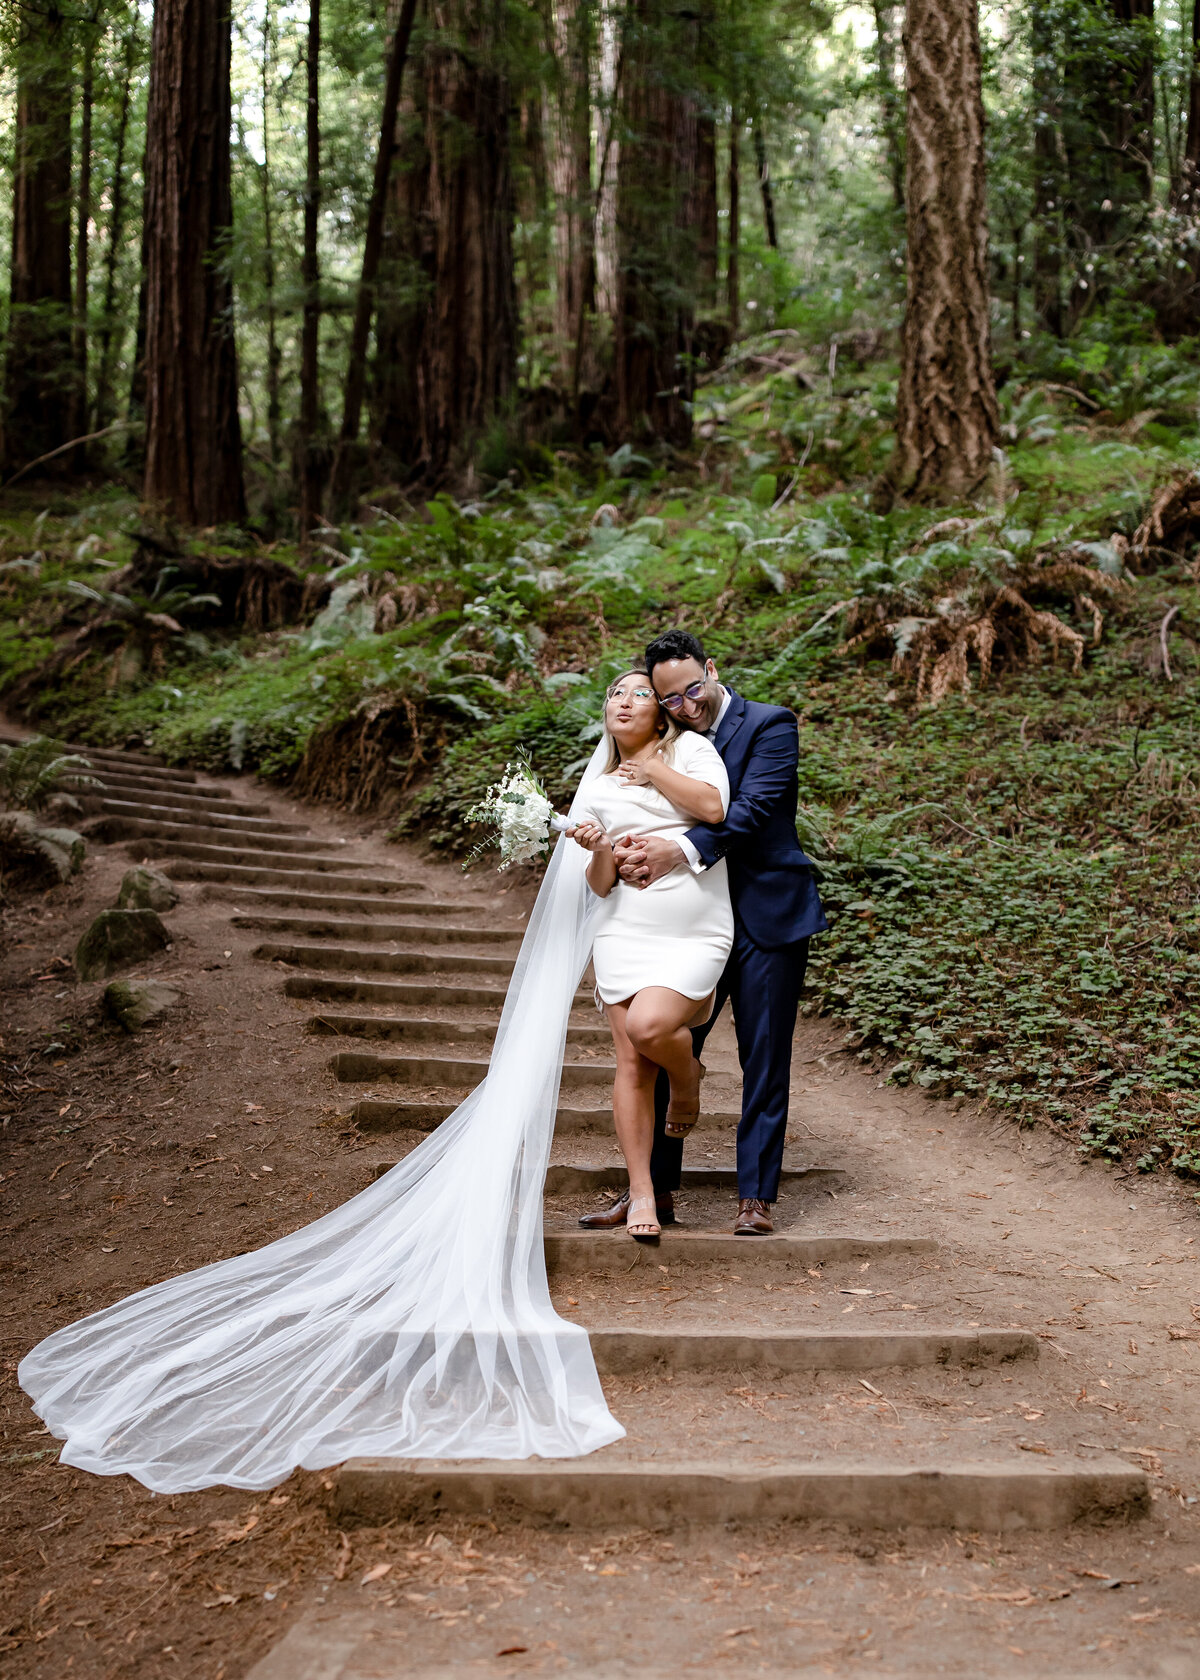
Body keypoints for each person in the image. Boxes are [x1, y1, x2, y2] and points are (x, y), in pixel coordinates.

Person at [580, 629, 827, 1237]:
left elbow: (752, 811)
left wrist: (677, 849)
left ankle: (755, 1196)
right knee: (654, 1047)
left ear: (712, 669)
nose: (685, 705)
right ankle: (654, 1192)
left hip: (764, 913)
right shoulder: (667, 742)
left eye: (693, 689)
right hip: (685, 919)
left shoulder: (769, 724)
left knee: (764, 1055)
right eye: (669, 699)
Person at [570, 671, 734, 1240]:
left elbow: (713, 809)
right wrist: (600, 852)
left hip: (695, 929)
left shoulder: (692, 749)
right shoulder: (596, 787)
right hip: (623, 930)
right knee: (633, 1063)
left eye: (640, 693)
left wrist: (654, 769)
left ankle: (686, 1076)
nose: (623, 700)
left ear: (661, 713)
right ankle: (642, 1192)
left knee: (651, 1026)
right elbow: (599, 886)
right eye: (615, 692)